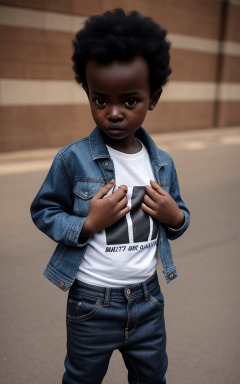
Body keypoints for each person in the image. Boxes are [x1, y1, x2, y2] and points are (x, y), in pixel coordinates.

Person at [31, 8, 190, 384]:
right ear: (88, 93)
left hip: (148, 300)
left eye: (129, 101)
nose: (113, 113)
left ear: (153, 97)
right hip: (91, 304)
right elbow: (44, 211)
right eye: (100, 100)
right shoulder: (73, 159)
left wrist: (175, 216)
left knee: (152, 378)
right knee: (82, 378)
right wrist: (88, 223)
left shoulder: (162, 164)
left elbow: (180, 217)